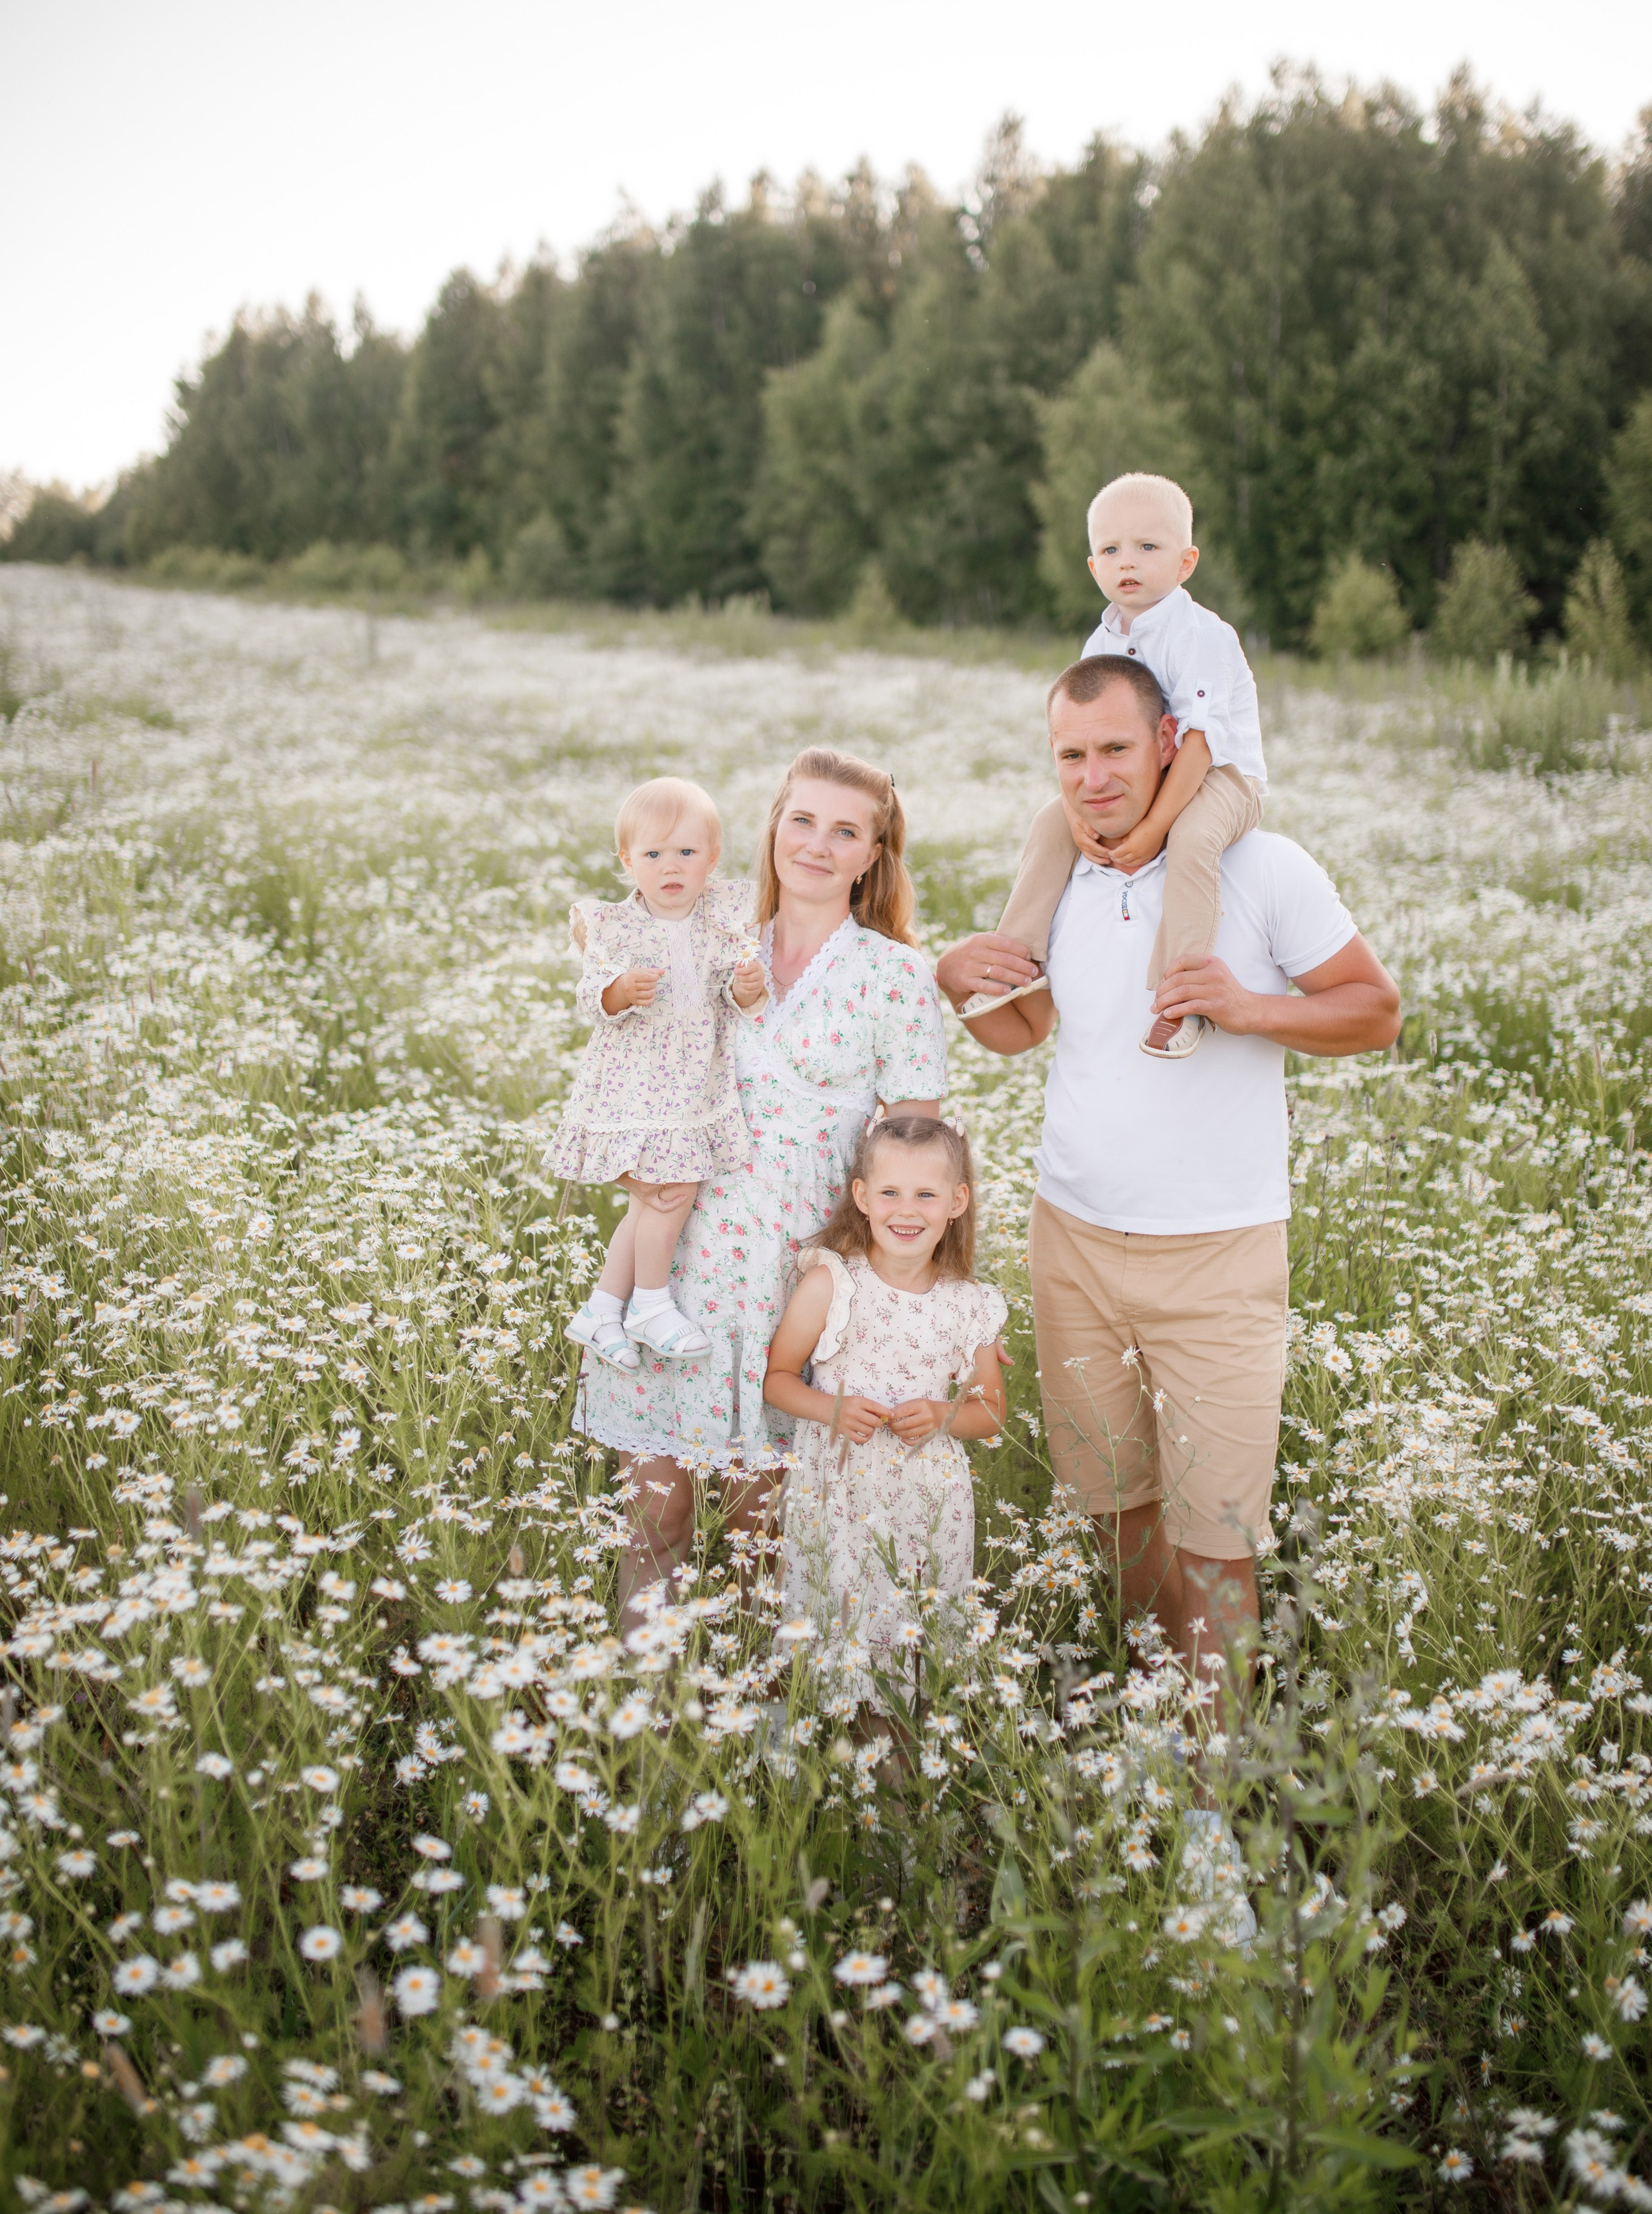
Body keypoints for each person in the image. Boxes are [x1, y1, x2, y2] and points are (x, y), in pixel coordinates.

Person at [936, 654, 1400, 1700]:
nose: (1093, 776)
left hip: (1222, 1256)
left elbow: (1376, 1010)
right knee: (1112, 1509)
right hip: (1074, 1242)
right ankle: (1155, 1692)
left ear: (1165, 746)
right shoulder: (1063, 874)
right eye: (1070, 754)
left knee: (1220, 1537)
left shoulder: (1262, 867)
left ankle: (1212, 1791)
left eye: (1113, 750)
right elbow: (1023, 1033)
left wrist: (1249, 1006)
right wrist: (952, 979)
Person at [575, 748, 949, 1629]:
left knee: (765, 1533)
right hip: (679, 1263)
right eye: (802, 820)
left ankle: (756, 1734)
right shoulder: (705, 932)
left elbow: (916, 1155)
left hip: (801, 1286)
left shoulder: (894, 975)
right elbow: (613, 1026)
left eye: (845, 831)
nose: (817, 844)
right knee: (655, 1517)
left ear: (873, 855)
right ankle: (647, 1734)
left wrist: (915, 1306)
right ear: (774, 828)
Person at [963, 470, 1265, 1059]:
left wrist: (1153, 829)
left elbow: (1200, 746)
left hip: (1224, 775)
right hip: (1143, 777)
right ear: (1093, 567)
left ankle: (1184, 997)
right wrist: (1078, 820)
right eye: (1111, 549)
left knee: (1194, 836)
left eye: (1148, 547)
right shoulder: (1099, 643)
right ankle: (1020, 959)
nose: (1128, 561)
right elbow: (1076, 739)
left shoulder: (1202, 635)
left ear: (1186, 562)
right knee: (1049, 822)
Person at [764, 1116, 1007, 1698]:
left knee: (911, 1629)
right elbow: (777, 1379)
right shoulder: (833, 1284)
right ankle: (806, 1749)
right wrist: (832, 1408)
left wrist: (945, 1414)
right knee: (833, 1613)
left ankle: (897, 1764)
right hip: (840, 1495)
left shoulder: (969, 1303)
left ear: (957, 1201)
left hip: (929, 1501)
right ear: (863, 1197)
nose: (907, 1210)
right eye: (891, 1192)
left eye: (926, 1194)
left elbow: (991, 1411)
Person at [551, 776, 769, 1367]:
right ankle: (649, 1302)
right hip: (634, 1087)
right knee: (670, 1193)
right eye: (653, 854)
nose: (670, 866)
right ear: (628, 861)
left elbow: (736, 992)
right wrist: (619, 990)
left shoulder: (720, 917)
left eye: (686, 853)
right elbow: (589, 995)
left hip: (692, 1085)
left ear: (712, 859)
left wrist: (746, 989)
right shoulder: (617, 926)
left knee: (651, 1202)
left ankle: (601, 1309)